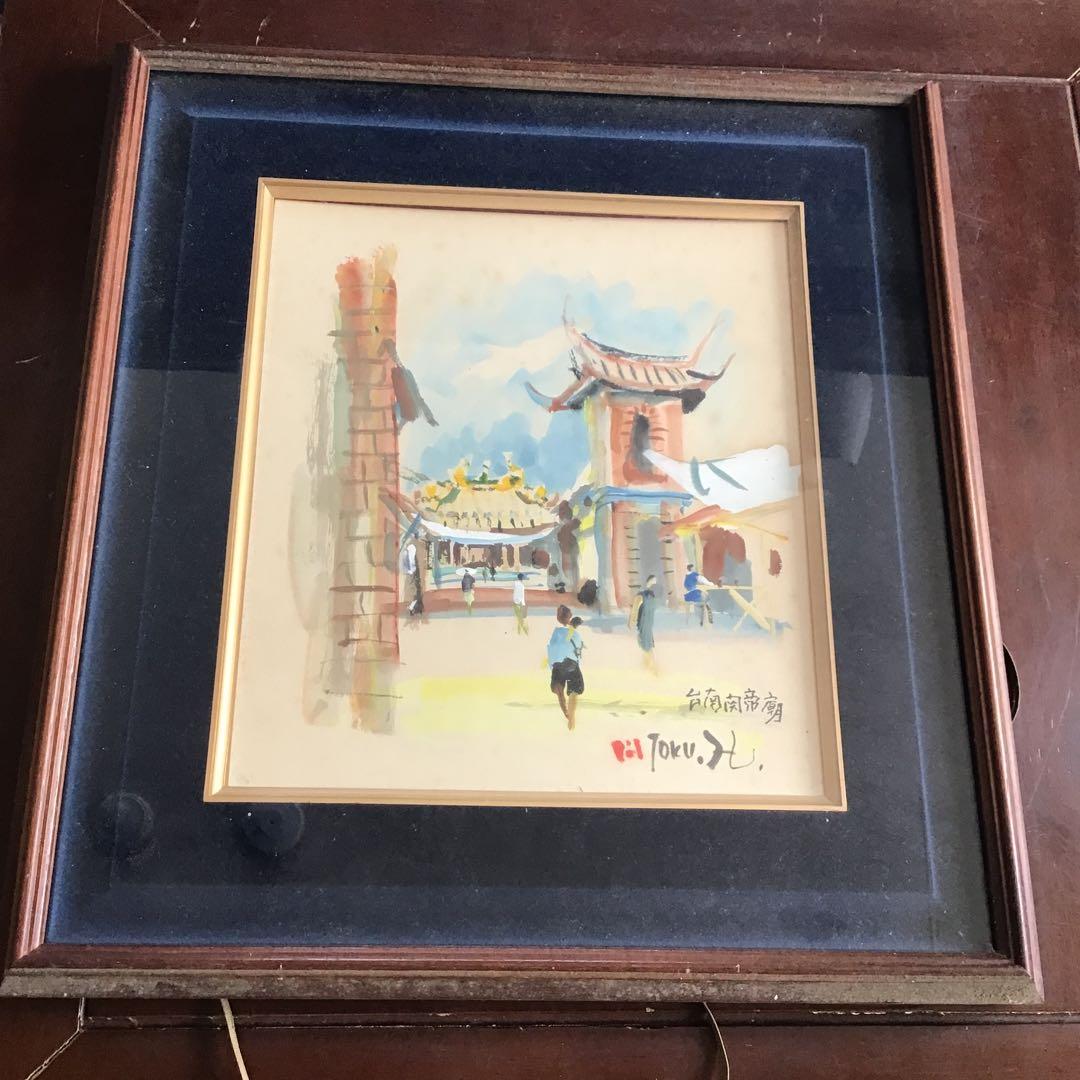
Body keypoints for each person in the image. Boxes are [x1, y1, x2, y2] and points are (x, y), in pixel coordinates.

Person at [546, 604, 584, 730]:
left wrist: (552, 666)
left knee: (559, 692)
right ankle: (571, 717)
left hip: (557, 665)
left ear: (558, 618)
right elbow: (578, 652)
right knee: (574, 691)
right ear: (570, 617)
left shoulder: (556, 632)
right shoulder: (575, 634)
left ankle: (567, 714)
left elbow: (551, 648)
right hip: (571, 664)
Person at [629, 574, 659, 673]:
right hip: (643, 624)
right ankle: (651, 667)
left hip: (649, 624)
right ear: (649, 581)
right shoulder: (641, 595)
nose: (655, 583)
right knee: (646, 646)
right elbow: (635, 609)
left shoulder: (653, 596)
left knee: (647, 646)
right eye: (653, 581)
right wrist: (631, 621)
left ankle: (649, 666)